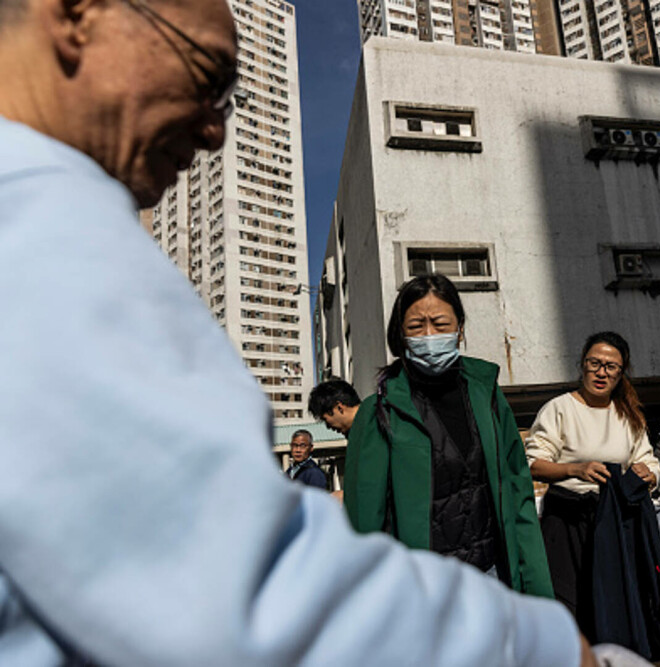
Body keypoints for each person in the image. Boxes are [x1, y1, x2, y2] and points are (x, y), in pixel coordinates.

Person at [0, 0, 598, 664]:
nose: (213, 132)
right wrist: (534, 640)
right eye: (208, 75)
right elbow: (240, 579)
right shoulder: (44, 236)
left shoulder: (485, 395)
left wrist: (534, 603)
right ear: (80, 13)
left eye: (228, 99)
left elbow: (514, 500)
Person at [344, 274, 554, 596]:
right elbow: (364, 525)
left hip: (493, 577)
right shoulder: (378, 413)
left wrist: (536, 587)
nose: (429, 335)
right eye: (416, 326)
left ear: (460, 329)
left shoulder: (487, 396)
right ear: (400, 335)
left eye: (440, 324)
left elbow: (517, 492)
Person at [525, 332, 660, 615]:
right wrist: (574, 469)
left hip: (615, 521)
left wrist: (648, 474)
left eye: (611, 367)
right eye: (594, 363)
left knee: (614, 602)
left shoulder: (628, 414)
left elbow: (647, 459)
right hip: (568, 521)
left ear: (621, 373)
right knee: (572, 604)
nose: (601, 373)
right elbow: (533, 463)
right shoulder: (559, 408)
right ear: (582, 365)